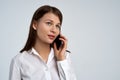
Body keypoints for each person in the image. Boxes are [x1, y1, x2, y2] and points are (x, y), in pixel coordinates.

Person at [9, 5, 76, 80]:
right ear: (35, 25)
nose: (54, 30)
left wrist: (61, 60)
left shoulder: (65, 57)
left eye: (57, 26)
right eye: (49, 23)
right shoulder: (19, 60)